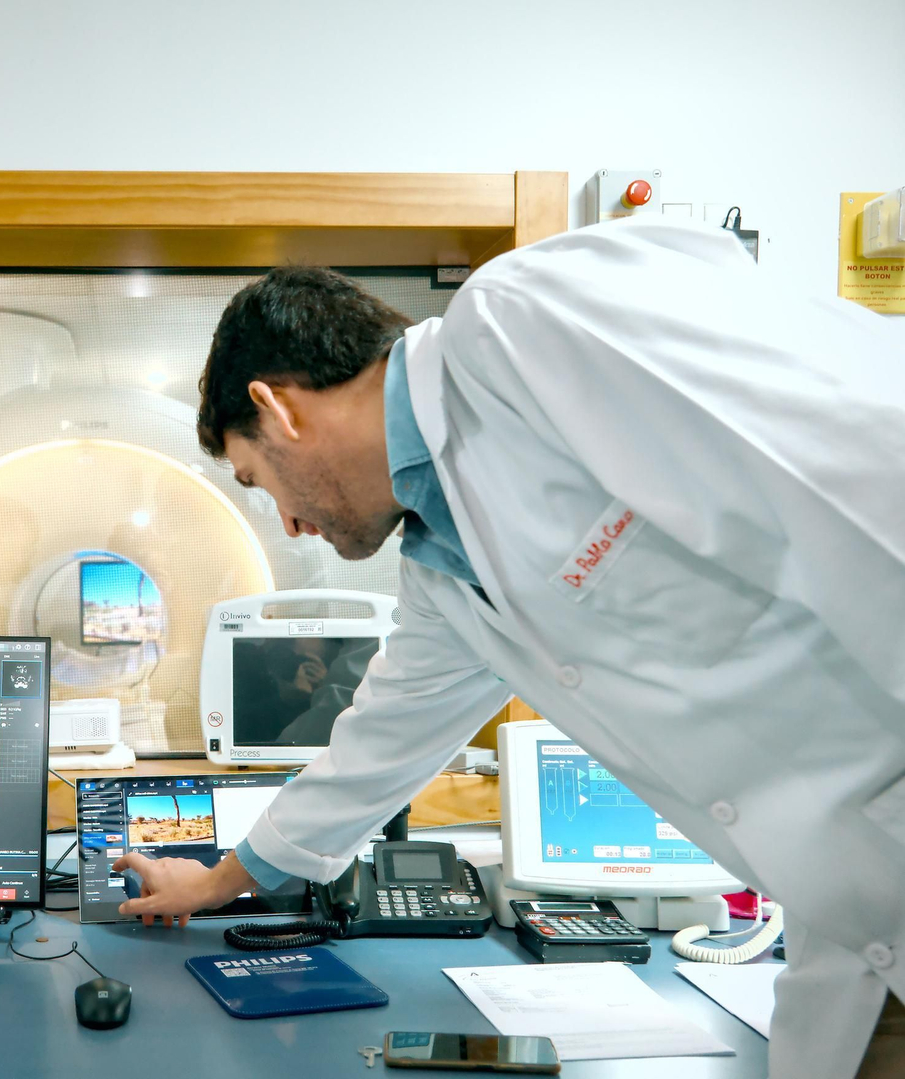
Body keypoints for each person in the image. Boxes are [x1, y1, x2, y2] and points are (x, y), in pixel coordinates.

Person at [112, 218, 905, 1079]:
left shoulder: (521, 323)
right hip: (853, 934)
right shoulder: (442, 562)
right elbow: (380, 744)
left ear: (278, 407)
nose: (290, 520)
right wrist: (221, 879)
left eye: (258, 482)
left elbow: (866, 468)